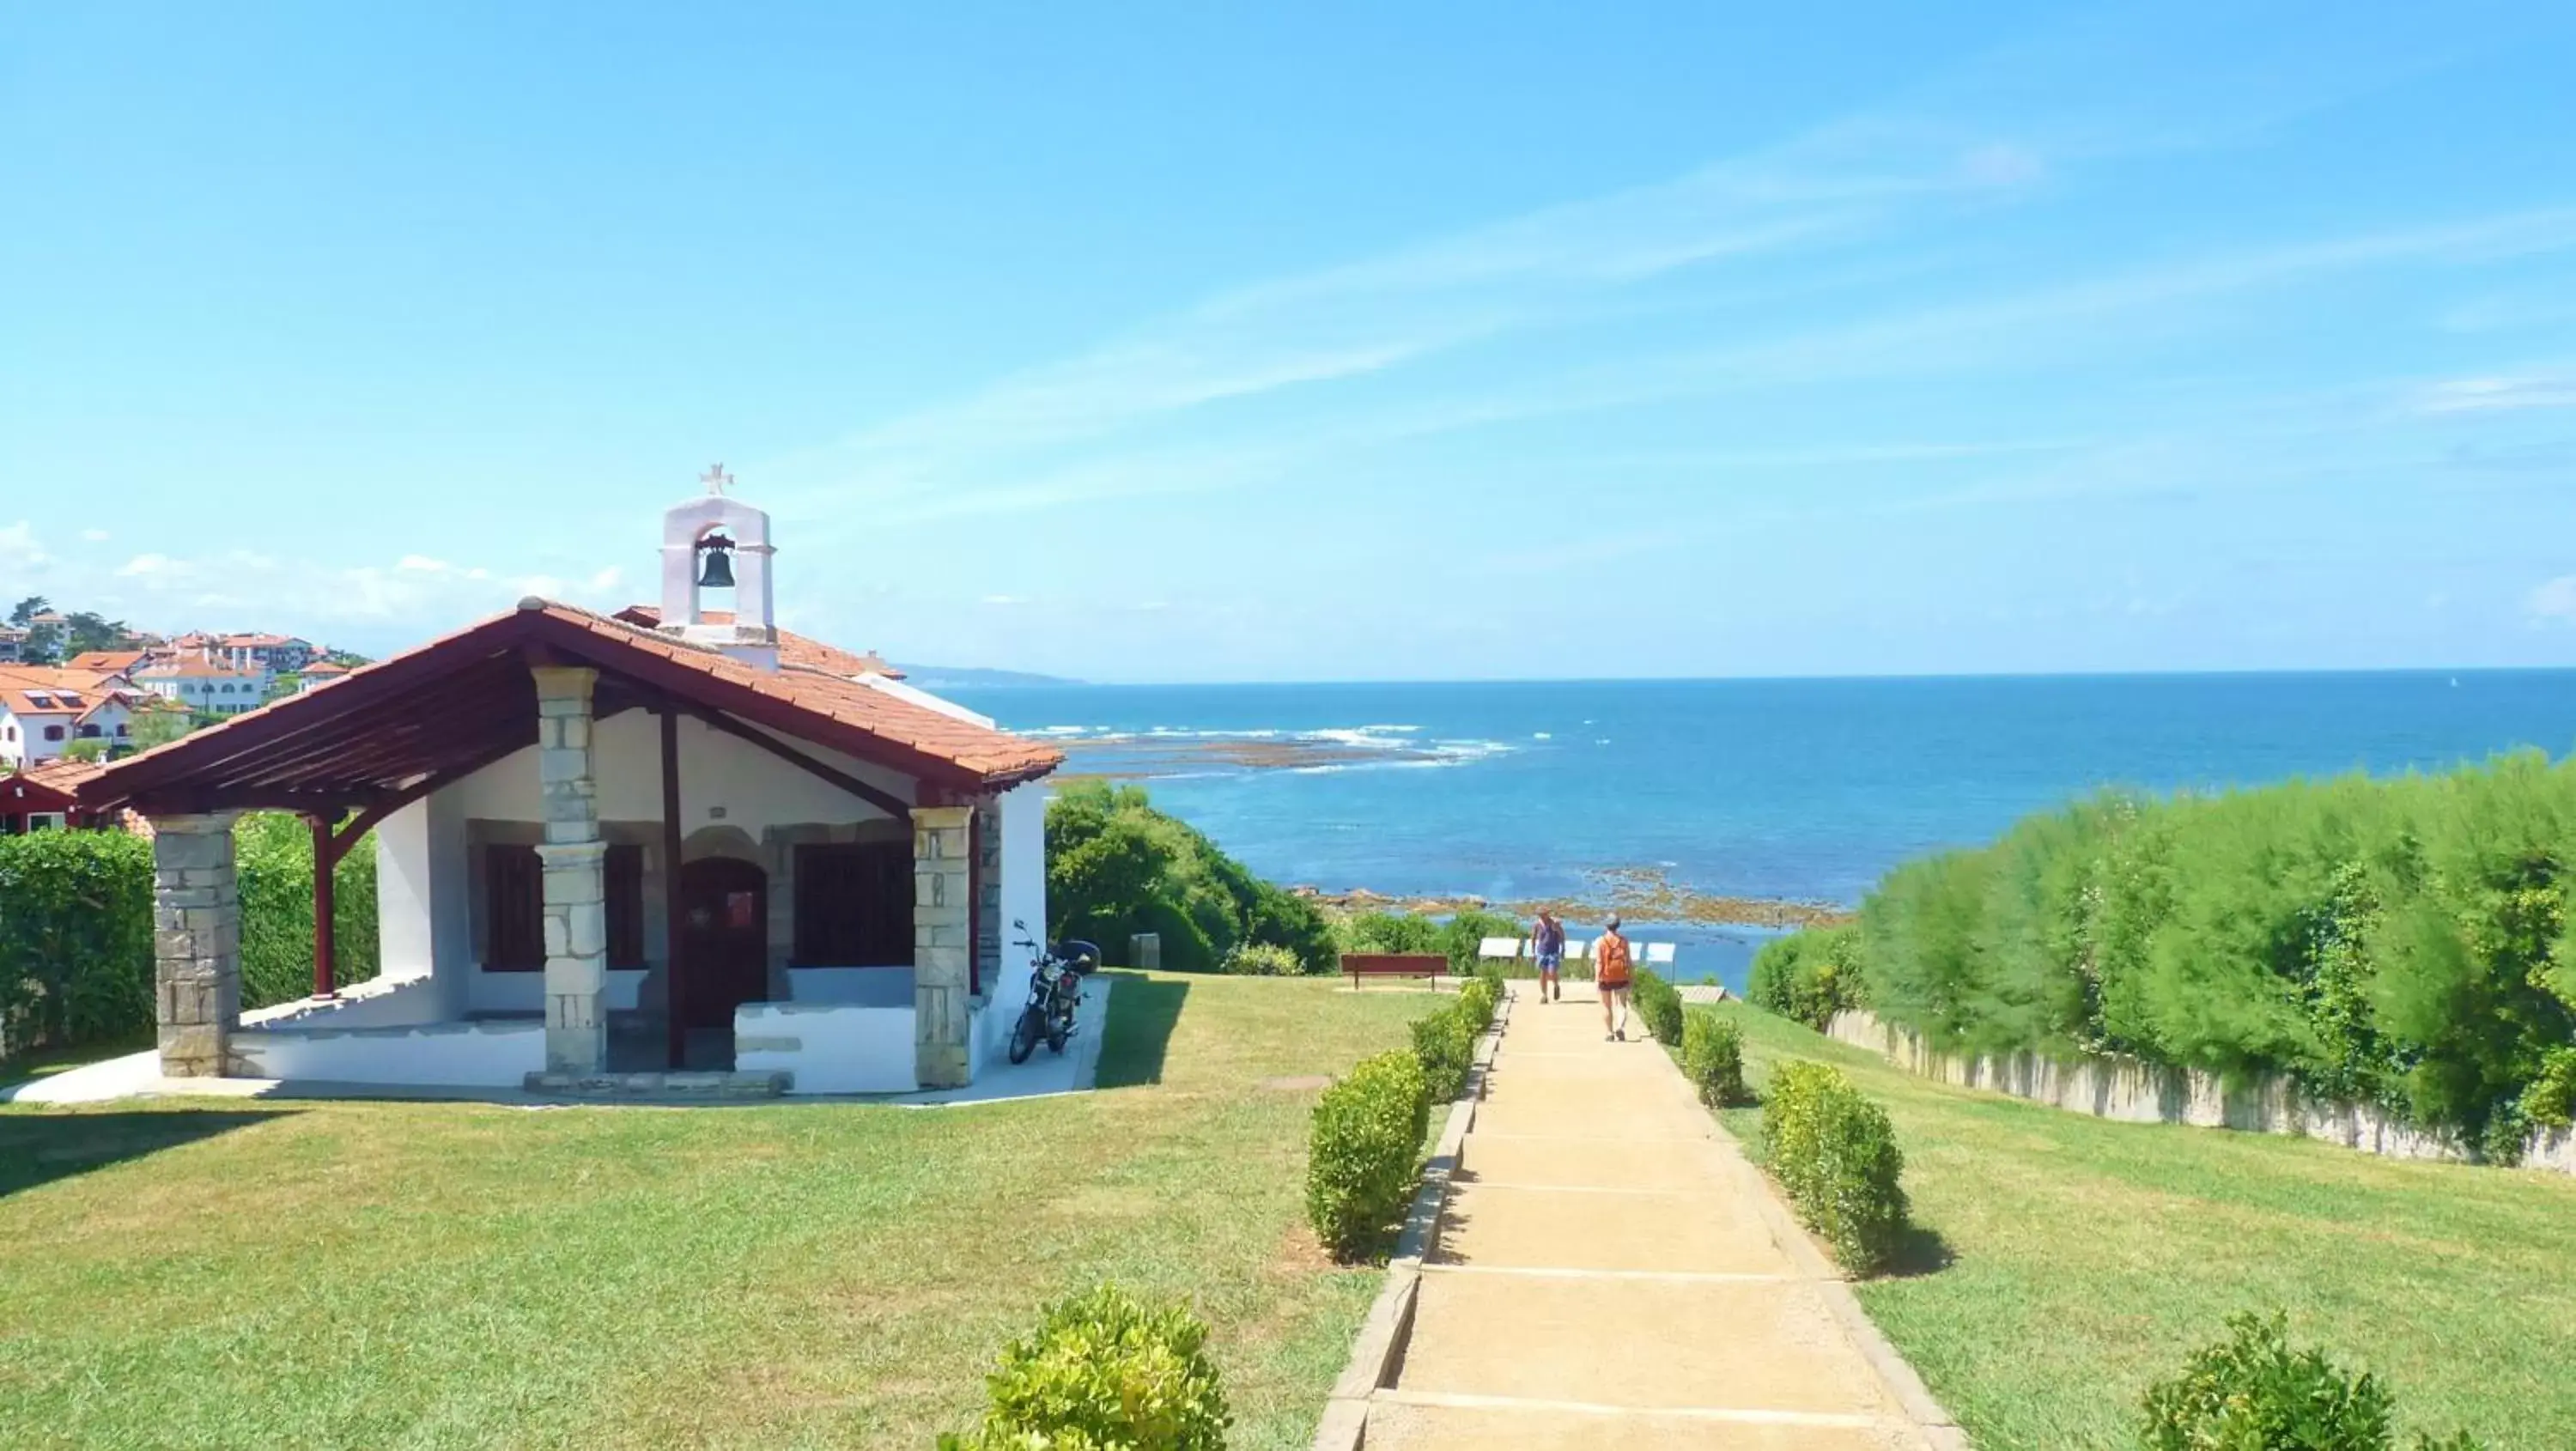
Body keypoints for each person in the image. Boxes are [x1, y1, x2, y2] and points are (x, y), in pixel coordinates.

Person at [1595, 914, 1634, 1041]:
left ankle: (1609, 1032)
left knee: (1606, 1005)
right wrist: (1631, 977)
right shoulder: (1624, 941)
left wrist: (1597, 979)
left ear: (1606, 925)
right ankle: (1620, 1028)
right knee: (1621, 1005)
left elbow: (1599, 962)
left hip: (1606, 976)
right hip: (1621, 975)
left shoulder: (1601, 941)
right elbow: (1628, 961)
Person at [1531, 909, 1566, 1003]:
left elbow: (1562, 936)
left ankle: (1556, 985)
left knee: (1552, 972)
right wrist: (1533, 952)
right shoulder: (1537, 925)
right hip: (1542, 952)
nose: (1542, 916)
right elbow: (1533, 938)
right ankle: (1544, 995)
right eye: (1540, 915)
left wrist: (1563, 949)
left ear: (1547, 914)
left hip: (1553, 952)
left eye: (1544, 914)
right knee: (1543, 973)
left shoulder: (1554, 923)